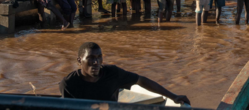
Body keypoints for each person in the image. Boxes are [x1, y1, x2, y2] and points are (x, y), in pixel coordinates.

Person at [59, 42, 189, 105]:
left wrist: (173, 96)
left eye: (99, 57)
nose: (96, 62)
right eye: (91, 58)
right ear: (79, 61)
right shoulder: (69, 84)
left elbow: (140, 80)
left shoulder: (112, 73)